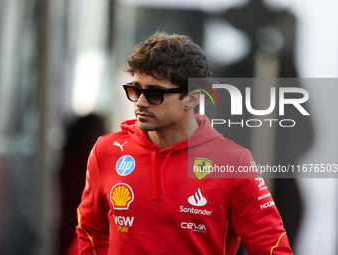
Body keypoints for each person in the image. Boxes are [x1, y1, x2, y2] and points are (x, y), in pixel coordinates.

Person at [76, 31, 293, 255]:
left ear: (192, 98)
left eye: (154, 93)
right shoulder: (106, 150)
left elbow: (271, 245)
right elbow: (91, 231)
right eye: (135, 89)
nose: (140, 102)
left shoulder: (233, 161)